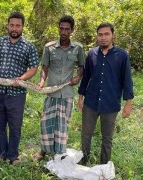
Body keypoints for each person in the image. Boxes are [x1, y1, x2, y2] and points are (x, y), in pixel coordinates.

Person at [77, 22, 134, 164]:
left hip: (110, 103)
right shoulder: (92, 54)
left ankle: (104, 166)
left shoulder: (122, 56)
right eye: (100, 34)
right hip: (91, 102)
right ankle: (83, 161)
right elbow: (86, 77)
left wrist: (128, 103)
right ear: (97, 36)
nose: (103, 37)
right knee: (85, 135)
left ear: (112, 35)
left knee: (107, 138)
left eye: (106, 34)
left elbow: (127, 80)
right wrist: (80, 97)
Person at [0, 12, 38, 164]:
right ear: (7, 25)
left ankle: (13, 156)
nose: (14, 28)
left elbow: (34, 67)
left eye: (18, 25)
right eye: (12, 25)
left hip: (17, 93)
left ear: (23, 26)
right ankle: (2, 154)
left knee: (15, 126)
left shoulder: (28, 46)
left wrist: (21, 79)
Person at [35, 15, 84, 161]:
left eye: (67, 29)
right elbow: (44, 67)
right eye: (61, 28)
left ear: (72, 30)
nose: (63, 31)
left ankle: (59, 154)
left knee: (62, 126)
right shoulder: (49, 47)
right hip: (51, 92)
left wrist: (78, 77)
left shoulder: (78, 48)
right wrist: (42, 81)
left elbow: (82, 66)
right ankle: (43, 151)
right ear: (58, 28)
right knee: (46, 123)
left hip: (67, 93)